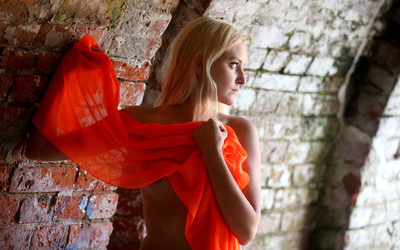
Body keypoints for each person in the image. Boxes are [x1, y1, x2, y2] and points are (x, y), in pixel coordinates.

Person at [25, 17, 261, 250]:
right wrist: (74, 73)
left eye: (243, 67)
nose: (242, 79)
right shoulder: (143, 124)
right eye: (233, 64)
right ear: (200, 64)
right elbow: (40, 149)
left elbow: (246, 231)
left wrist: (213, 153)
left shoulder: (240, 131)